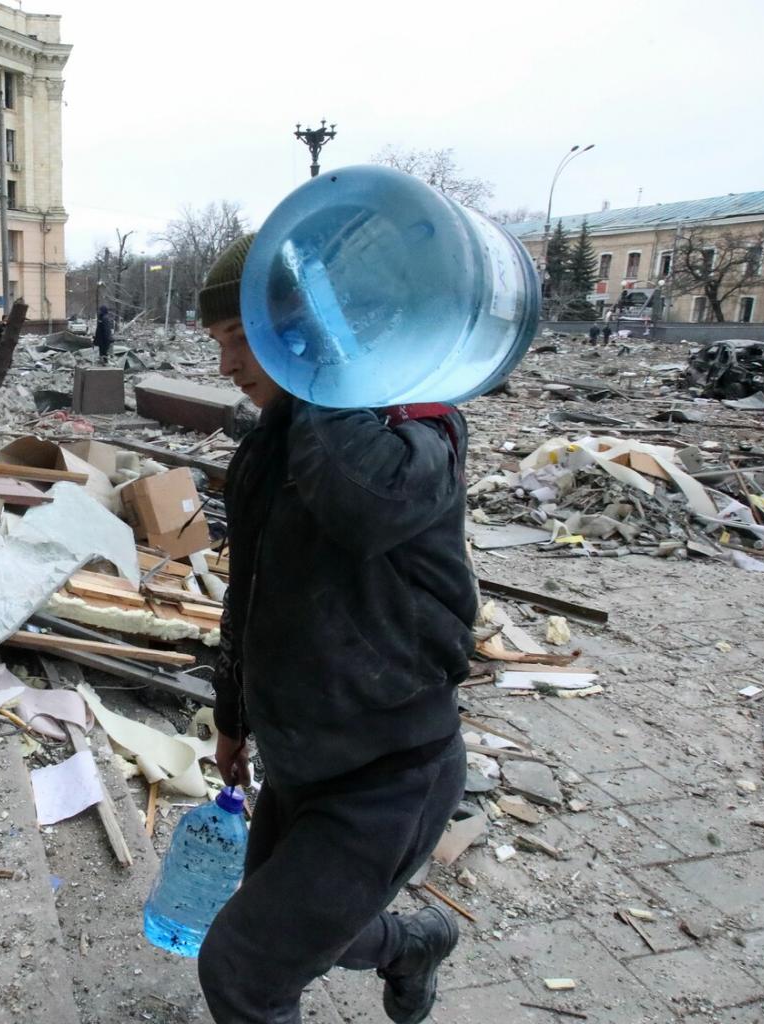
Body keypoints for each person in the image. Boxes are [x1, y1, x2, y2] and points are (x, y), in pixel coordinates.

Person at [193, 234, 472, 1024]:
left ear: (307, 326)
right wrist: (234, 716)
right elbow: (245, 595)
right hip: (299, 761)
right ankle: (412, 944)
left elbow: (366, 504)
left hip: (393, 773)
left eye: (242, 338)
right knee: (302, 930)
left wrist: (323, 365)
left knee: (243, 970)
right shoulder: (268, 443)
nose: (227, 368)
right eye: (220, 343)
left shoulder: (419, 424)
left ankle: (409, 942)